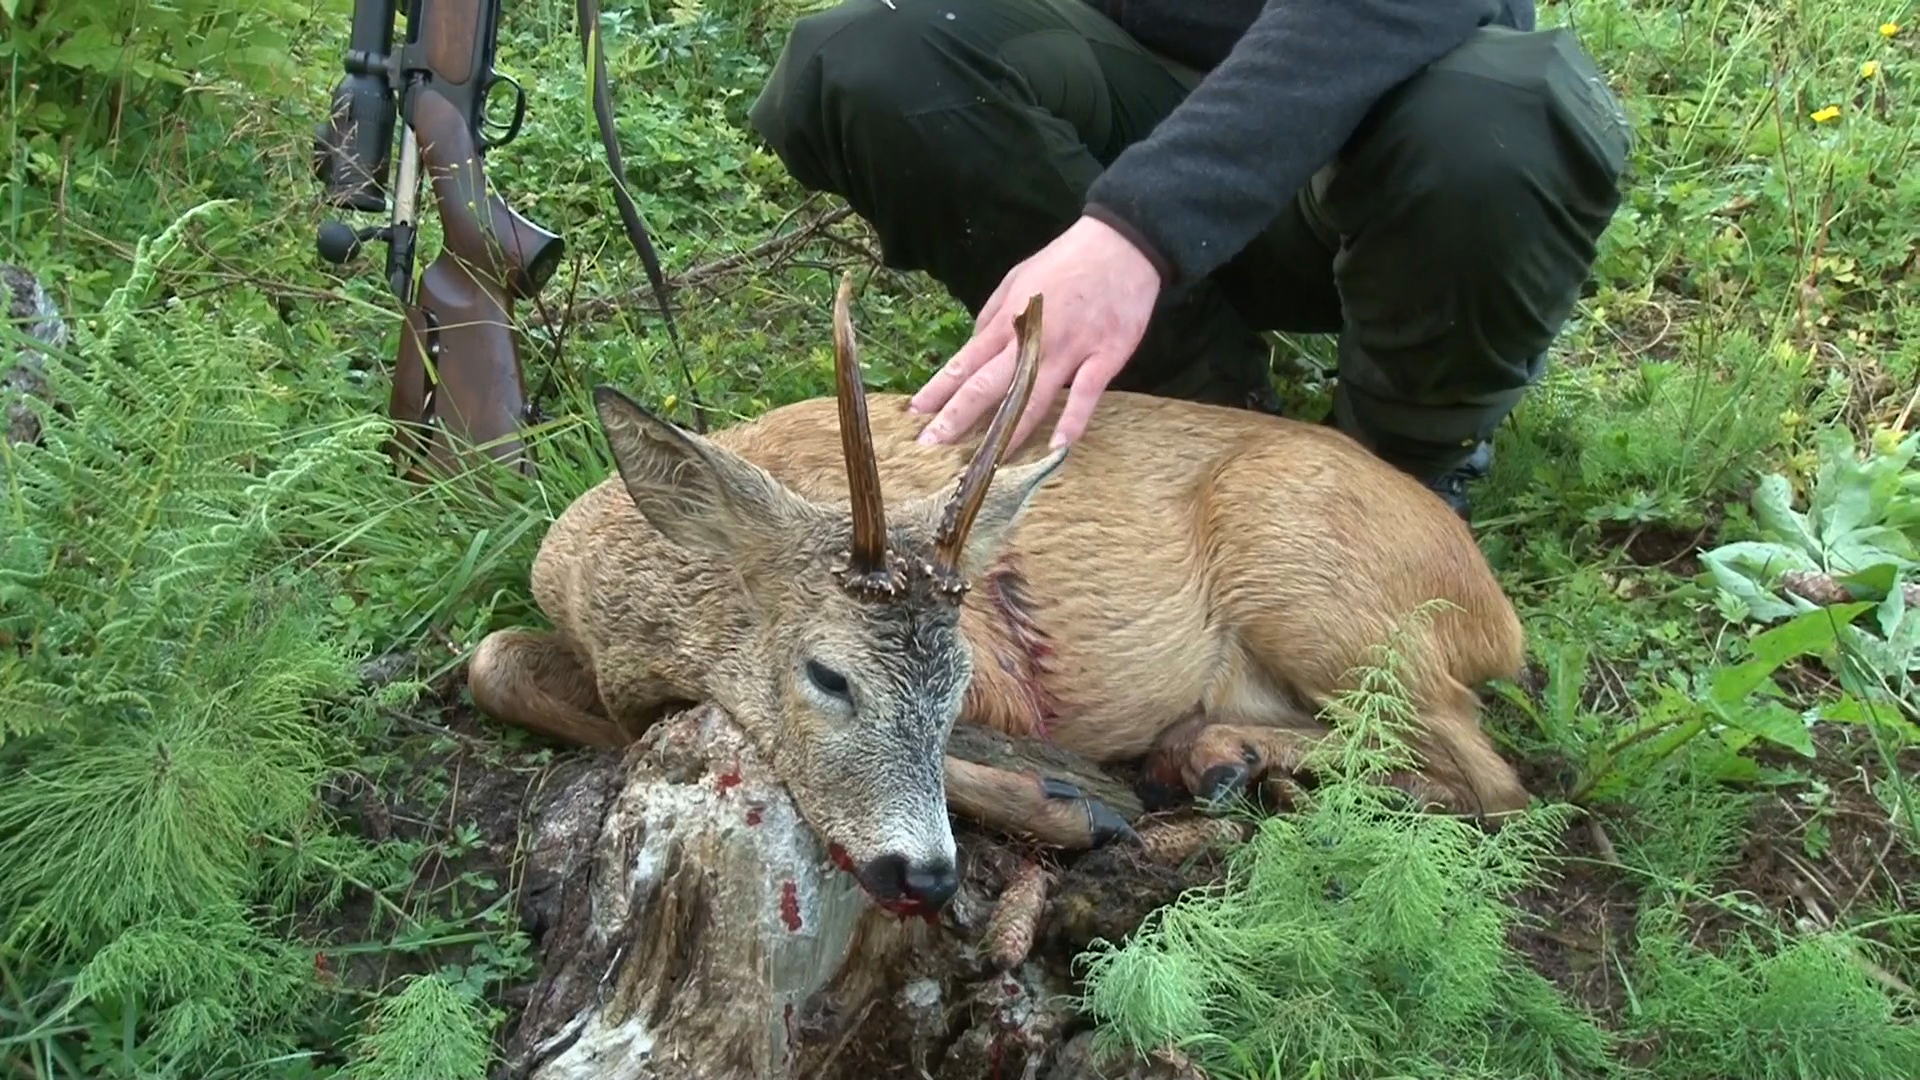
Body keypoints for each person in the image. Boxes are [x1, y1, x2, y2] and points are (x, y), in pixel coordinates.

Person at [745, 0, 1632, 520]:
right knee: (868, 52)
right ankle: (1201, 404)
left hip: (1386, 118)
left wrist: (1140, 227)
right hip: (1132, 78)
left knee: (1499, 124)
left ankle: (1403, 471)